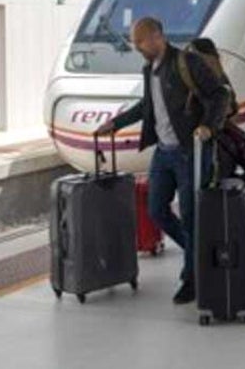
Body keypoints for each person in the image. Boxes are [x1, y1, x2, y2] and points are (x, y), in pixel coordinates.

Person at [96, 18, 230, 304]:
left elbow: (221, 95)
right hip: (165, 152)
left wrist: (208, 126)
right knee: (156, 210)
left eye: (139, 41)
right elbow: (147, 107)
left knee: (192, 215)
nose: (136, 48)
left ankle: (191, 278)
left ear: (157, 37)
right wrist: (117, 123)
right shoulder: (149, 69)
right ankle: (198, 252)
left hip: (190, 150)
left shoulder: (188, 63)